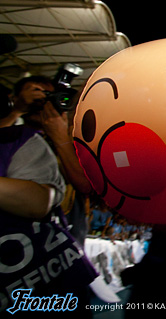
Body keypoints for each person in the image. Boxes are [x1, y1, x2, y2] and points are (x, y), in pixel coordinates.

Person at [0, 76, 96, 316]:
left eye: (49, 96)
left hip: (60, 252)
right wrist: (17, 109)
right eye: (37, 93)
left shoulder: (64, 137)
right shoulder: (13, 134)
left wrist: (60, 134)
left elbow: (85, 184)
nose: (44, 101)